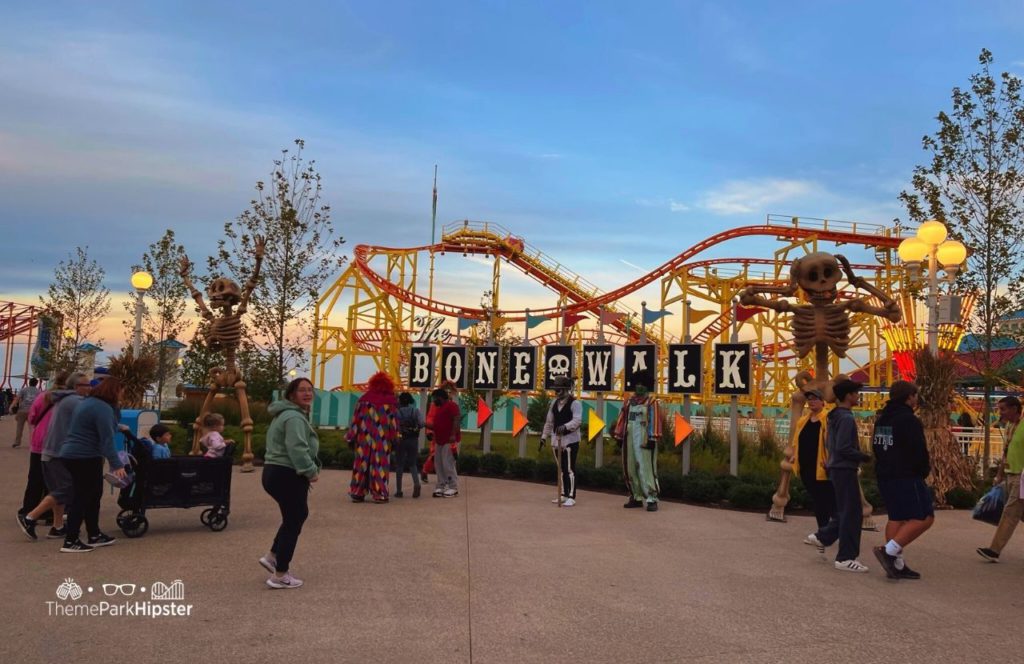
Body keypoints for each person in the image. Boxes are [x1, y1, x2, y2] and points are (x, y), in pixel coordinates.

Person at [260, 377, 321, 589]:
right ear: (291, 395)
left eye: (310, 390)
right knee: (294, 520)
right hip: (287, 473)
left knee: (293, 517)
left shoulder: (285, 414)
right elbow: (297, 448)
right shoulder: (294, 418)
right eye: (302, 390)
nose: (307, 393)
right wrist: (310, 471)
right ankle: (280, 574)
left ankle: (273, 556)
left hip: (274, 472)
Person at [807, 379, 872, 572]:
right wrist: (864, 456)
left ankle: (823, 536)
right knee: (852, 513)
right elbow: (844, 447)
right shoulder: (846, 418)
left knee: (847, 510)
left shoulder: (834, 416)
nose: (858, 397)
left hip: (836, 467)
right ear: (848, 396)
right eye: (856, 393)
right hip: (844, 468)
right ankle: (845, 557)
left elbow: (831, 444)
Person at [55, 376, 127, 552]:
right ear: (114, 391)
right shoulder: (101, 408)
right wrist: (117, 464)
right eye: (121, 392)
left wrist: (116, 410)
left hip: (77, 454)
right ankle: (71, 540)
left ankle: (94, 534)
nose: (123, 395)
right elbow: (107, 439)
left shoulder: (91, 403)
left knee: (93, 495)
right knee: (83, 497)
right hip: (84, 456)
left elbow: (107, 425)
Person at [871, 381, 933, 579]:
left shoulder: (882, 418)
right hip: (907, 475)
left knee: (896, 517)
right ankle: (889, 551)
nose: (916, 399)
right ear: (910, 397)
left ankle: (897, 564)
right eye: (915, 396)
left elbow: (876, 445)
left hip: (885, 473)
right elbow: (917, 450)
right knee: (924, 517)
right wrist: (923, 470)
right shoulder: (908, 420)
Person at [16, 373, 87, 541]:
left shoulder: (46, 397)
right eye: (87, 384)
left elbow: (32, 417)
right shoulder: (73, 401)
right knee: (65, 488)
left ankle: (55, 525)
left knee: (39, 481)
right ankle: (31, 517)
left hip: (41, 443)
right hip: (58, 448)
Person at [977, 395, 1024, 562]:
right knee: (1019, 514)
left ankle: (994, 550)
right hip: (1011, 474)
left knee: (1010, 513)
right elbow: (1006, 452)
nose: (1000, 413)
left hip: (1021, 476)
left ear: (1014, 409)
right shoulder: (1010, 426)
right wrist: (999, 474)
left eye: (1003, 409)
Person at [346, 372, 400, 503]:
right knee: (380, 465)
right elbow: (394, 424)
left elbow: (356, 420)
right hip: (382, 439)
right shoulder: (391, 402)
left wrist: (350, 437)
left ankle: (357, 492)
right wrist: (395, 438)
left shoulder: (363, 399)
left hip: (363, 438)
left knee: (361, 464)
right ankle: (380, 493)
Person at [613, 384, 663, 512]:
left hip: (644, 438)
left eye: (642, 384)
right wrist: (618, 435)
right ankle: (635, 496)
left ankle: (652, 498)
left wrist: (653, 437)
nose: (639, 388)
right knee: (630, 468)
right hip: (629, 438)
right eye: (637, 385)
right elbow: (622, 419)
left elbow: (655, 420)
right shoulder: (629, 402)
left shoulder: (652, 402)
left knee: (646, 468)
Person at [792, 388, 835, 533]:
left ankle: (825, 531)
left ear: (822, 402)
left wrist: (830, 460)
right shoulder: (803, 420)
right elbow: (796, 440)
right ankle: (825, 530)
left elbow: (832, 442)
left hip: (822, 467)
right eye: (809, 399)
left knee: (824, 499)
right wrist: (794, 455)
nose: (811, 402)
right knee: (817, 499)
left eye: (814, 399)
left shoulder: (828, 419)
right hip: (806, 467)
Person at [541, 376, 583, 506]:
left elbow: (577, 421)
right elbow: (549, 422)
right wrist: (544, 436)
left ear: (566, 389)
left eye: (559, 390)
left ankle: (571, 496)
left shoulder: (575, 404)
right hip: (556, 440)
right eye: (555, 390)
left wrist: (565, 426)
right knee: (561, 468)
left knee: (570, 468)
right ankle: (563, 494)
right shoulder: (553, 404)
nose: (556, 392)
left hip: (570, 440)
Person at [426, 387, 461, 498]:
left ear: (441, 397)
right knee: (439, 464)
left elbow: (456, 419)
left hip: (448, 441)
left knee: (447, 464)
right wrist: (423, 424)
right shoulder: (440, 408)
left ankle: (453, 487)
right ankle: (441, 485)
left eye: (435, 398)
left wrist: (452, 435)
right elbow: (437, 425)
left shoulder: (451, 406)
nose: (434, 401)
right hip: (439, 441)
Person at [394, 392, 424, 498]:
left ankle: (399, 491)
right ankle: (416, 483)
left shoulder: (397, 412)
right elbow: (421, 424)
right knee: (412, 464)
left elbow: (393, 426)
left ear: (400, 401)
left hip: (401, 440)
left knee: (399, 465)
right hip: (413, 439)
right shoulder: (415, 411)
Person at [11, 377, 41, 447]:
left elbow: (17, 399)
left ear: (29, 383)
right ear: (36, 384)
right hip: (32, 411)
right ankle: (33, 443)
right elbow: (40, 402)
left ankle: (17, 442)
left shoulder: (23, 390)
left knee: (19, 427)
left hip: (22, 410)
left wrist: (11, 406)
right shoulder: (38, 392)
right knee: (32, 428)